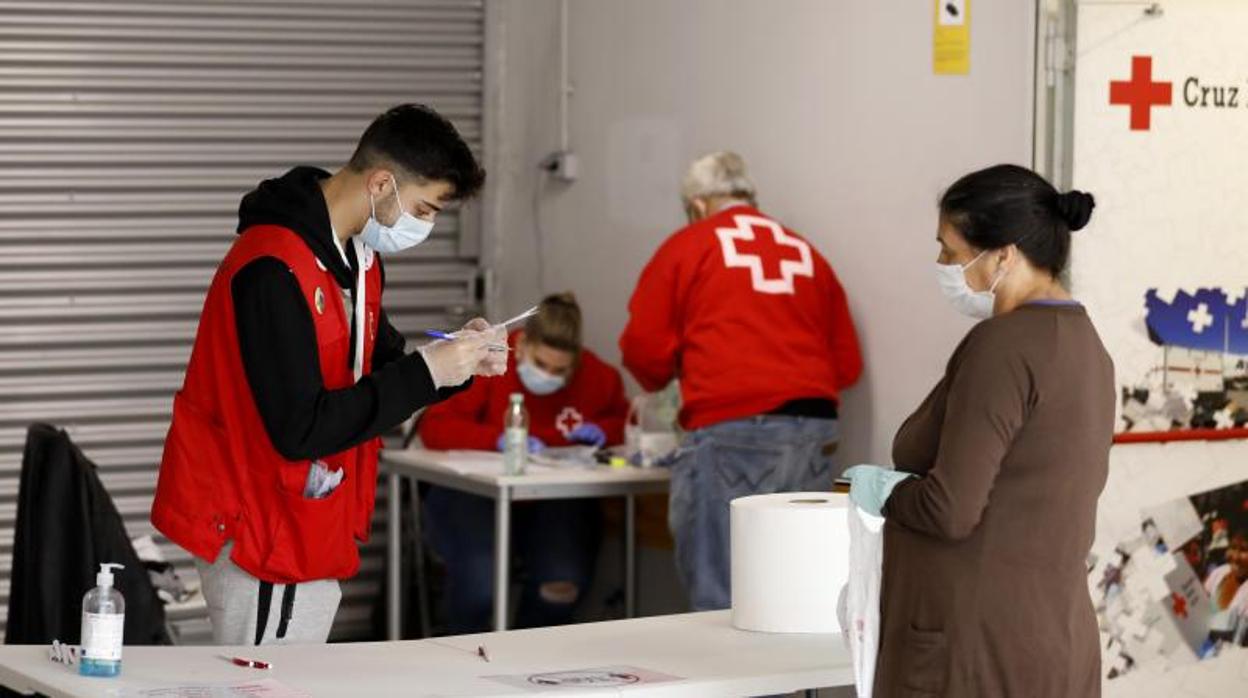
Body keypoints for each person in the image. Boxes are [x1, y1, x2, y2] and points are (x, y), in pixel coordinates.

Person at [151, 104, 500, 646]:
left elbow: (385, 364)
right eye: (424, 209)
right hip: (258, 525)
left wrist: (461, 361)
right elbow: (300, 427)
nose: (425, 226)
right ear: (381, 183)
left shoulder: (357, 259)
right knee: (263, 681)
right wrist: (428, 372)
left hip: (310, 520)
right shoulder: (272, 267)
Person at [843, 164, 1114, 697]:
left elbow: (950, 510)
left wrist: (881, 490)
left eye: (950, 251)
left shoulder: (1003, 347)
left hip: (974, 649)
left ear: (1003, 256)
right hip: (1052, 637)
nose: (942, 266)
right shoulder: (1086, 344)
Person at [619, 151, 862, 611]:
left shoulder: (690, 245)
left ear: (696, 205)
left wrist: (665, 379)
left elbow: (644, 349)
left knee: (723, 599)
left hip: (732, 435)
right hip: (815, 433)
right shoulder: (805, 252)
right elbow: (846, 365)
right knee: (795, 594)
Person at [418, 293, 629, 632]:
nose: (548, 375)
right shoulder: (490, 362)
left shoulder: (597, 376)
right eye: (541, 364)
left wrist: (605, 432)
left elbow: (625, 420)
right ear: (522, 344)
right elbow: (435, 427)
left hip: (552, 502)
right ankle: (466, 653)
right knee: (480, 588)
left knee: (561, 585)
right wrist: (497, 439)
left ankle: (524, 651)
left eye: (560, 370)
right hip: (474, 496)